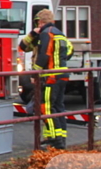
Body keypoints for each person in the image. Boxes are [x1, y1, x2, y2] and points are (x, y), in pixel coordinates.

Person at [19, 9, 71, 150]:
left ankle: (55, 140)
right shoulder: (60, 34)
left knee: (46, 107)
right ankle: (59, 138)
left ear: (40, 22)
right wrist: (32, 35)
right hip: (62, 75)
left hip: (51, 77)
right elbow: (23, 47)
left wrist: (35, 73)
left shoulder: (46, 34)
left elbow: (44, 55)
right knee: (58, 107)